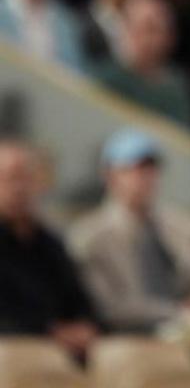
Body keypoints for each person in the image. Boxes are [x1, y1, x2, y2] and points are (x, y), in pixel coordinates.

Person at [70, 129, 190, 350]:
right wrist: (179, 312)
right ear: (110, 175)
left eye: (150, 169)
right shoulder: (90, 236)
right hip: (130, 337)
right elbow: (110, 307)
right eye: (133, 169)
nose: (144, 178)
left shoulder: (179, 226)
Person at [0, 141, 99, 359]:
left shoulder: (50, 243)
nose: (19, 188)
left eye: (25, 178)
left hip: (63, 353)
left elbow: (79, 300)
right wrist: (49, 332)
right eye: (9, 178)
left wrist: (84, 327)